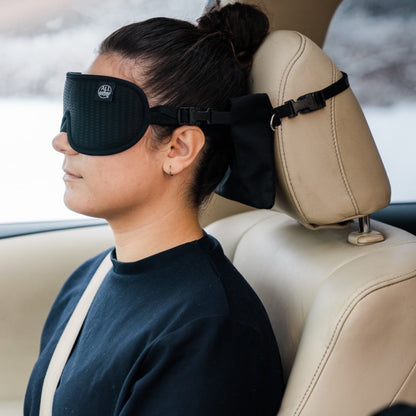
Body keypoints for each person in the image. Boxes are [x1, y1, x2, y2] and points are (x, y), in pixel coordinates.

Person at [24, 3, 284, 416]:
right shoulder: (90, 278)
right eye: (72, 114)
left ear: (178, 149)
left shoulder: (209, 332)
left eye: (97, 120)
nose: (63, 141)